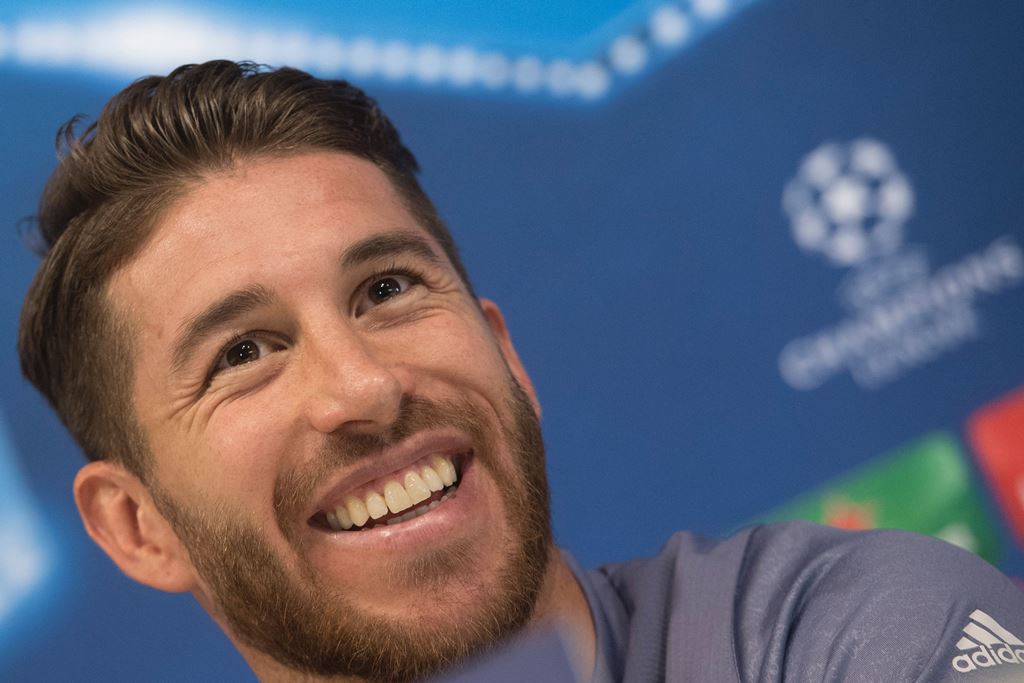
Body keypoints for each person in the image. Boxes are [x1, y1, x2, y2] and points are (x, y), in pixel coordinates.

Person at [17, 60, 1024, 683]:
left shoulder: (849, 633)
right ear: (136, 524)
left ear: (505, 351)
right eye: (242, 353)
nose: (364, 386)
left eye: (384, 290)